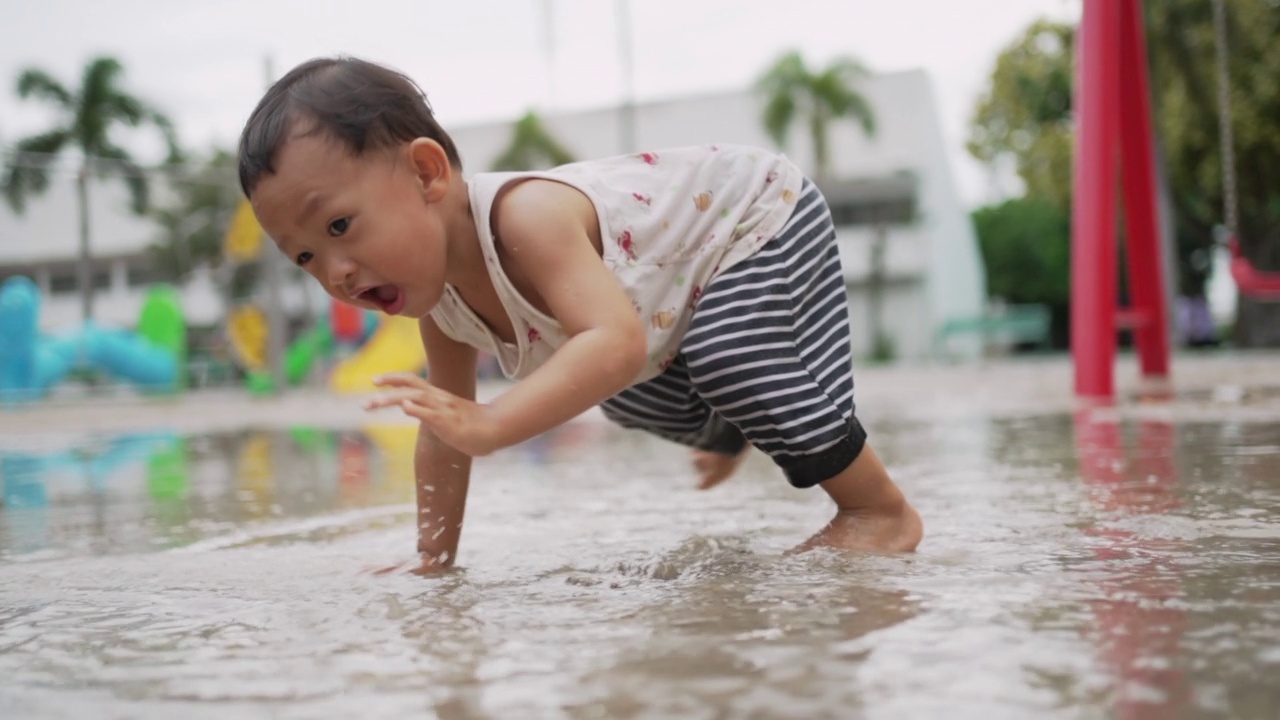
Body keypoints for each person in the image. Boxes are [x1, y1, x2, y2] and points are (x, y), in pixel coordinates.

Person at [238, 56, 923, 572]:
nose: (335, 273)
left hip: (757, 215)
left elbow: (617, 341)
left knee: (717, 356)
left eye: (336, 228)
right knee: (623, 398)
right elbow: (446, 436)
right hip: (674, 303)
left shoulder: (527, 217)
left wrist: (495, 422)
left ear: (425, 173)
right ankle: (731, 423)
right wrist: (433, 560)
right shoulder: (442, 309)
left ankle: (877, 509)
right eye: (303, 258)